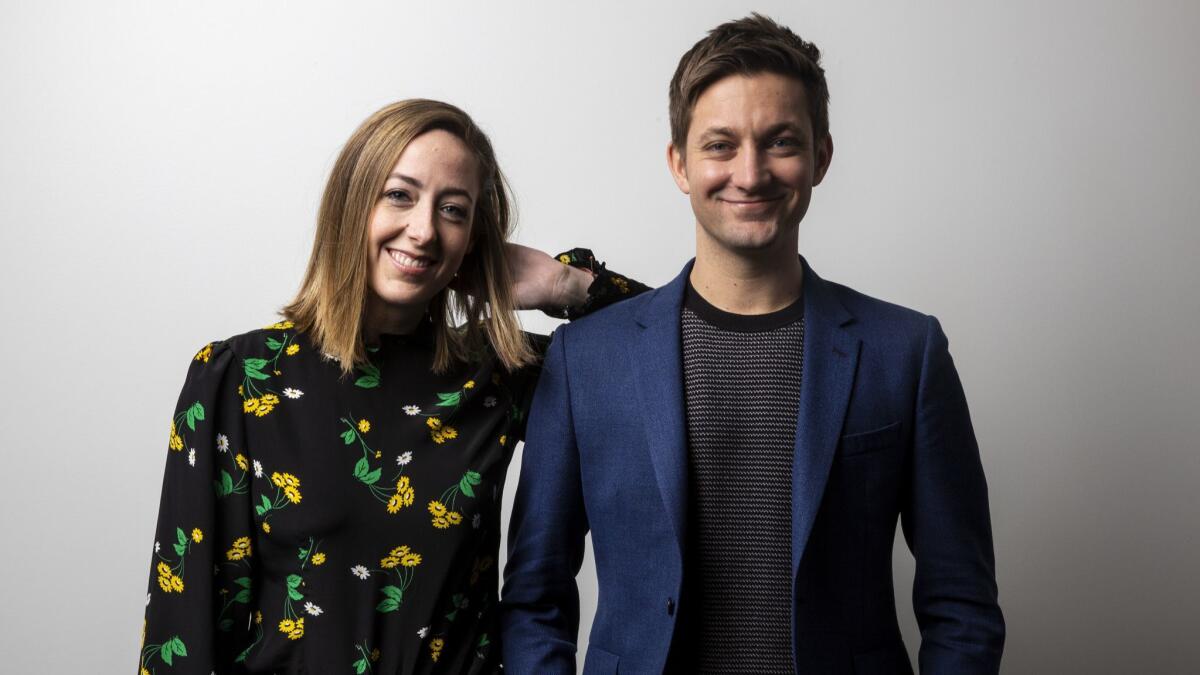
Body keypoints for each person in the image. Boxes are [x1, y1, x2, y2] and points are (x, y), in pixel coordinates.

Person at [501, 14, 1005, 674]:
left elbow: (962, 602)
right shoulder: (586, 359)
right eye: (720, 145)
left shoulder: (906, 353)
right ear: (679, 163)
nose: (750, 171)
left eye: (780, 141)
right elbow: (533, 598)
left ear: (821, 157)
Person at [138, 98, 647, 675]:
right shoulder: (239, 376)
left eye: (453, 210)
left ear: (473, 240)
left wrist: (566, 284)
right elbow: (183, 627)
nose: (425, 230)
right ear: (352, 203)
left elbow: (680, 356)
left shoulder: (502, 374)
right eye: (399, 195)